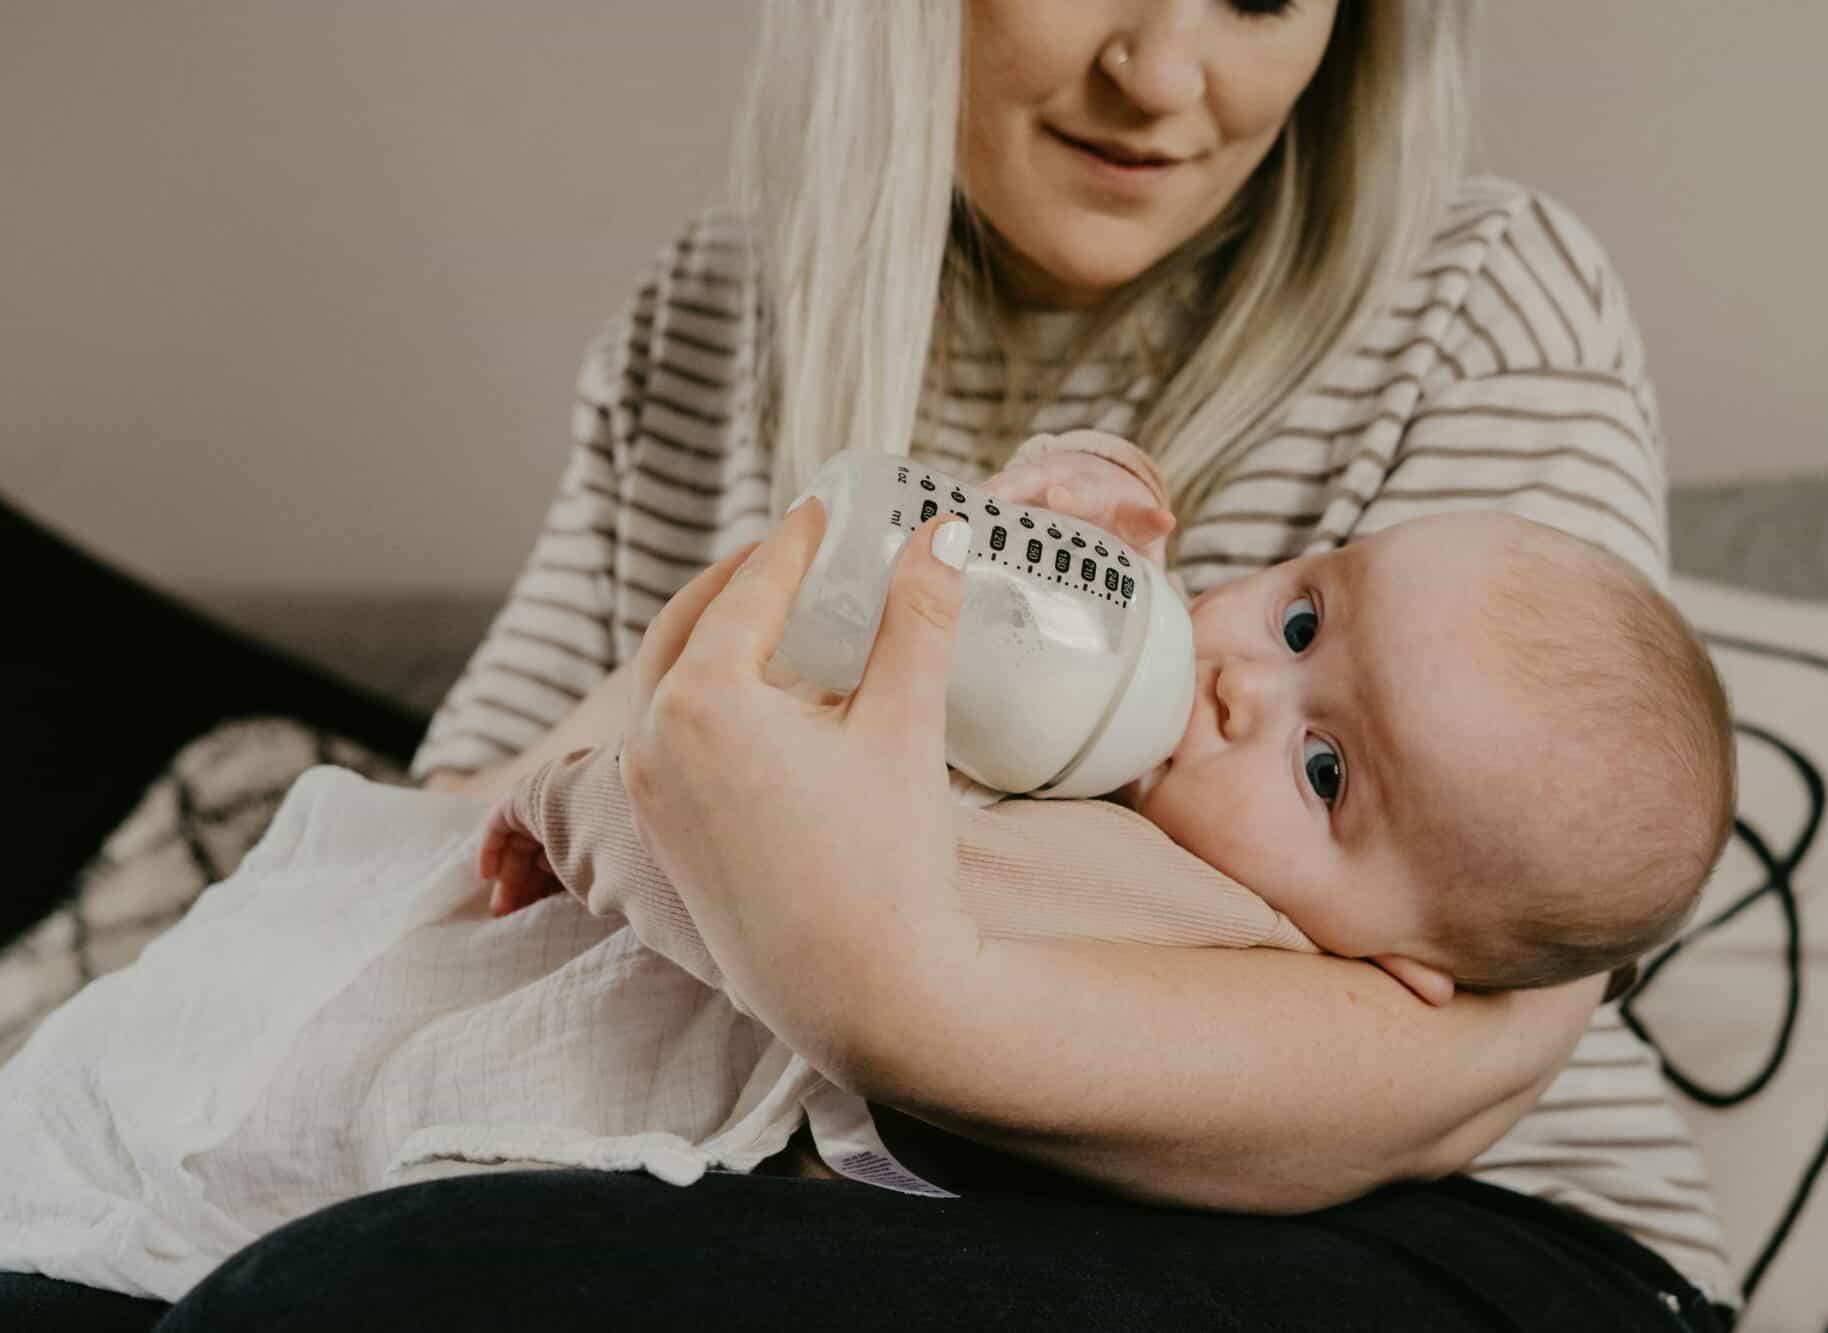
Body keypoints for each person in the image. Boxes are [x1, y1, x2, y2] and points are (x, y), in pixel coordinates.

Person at [8, 3, 1740, 1328]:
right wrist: (665, 724)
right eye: (1291, 619)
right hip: (851, 1172)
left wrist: (881, 978)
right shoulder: (710, 312)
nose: (1160, 74)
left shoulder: (1480, 294)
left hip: (1419, 1237)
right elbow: (456, 849)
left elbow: (1493, 1016)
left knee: (372, 1297)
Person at [484, 429, 1735, 1011]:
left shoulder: (1192, 928)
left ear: (1403, 961)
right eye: (1303, 621)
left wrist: (569, 807)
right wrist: (1065, 502)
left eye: (1322, 770)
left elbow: (770, 870)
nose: (1244, 678)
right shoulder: (1138, 752)